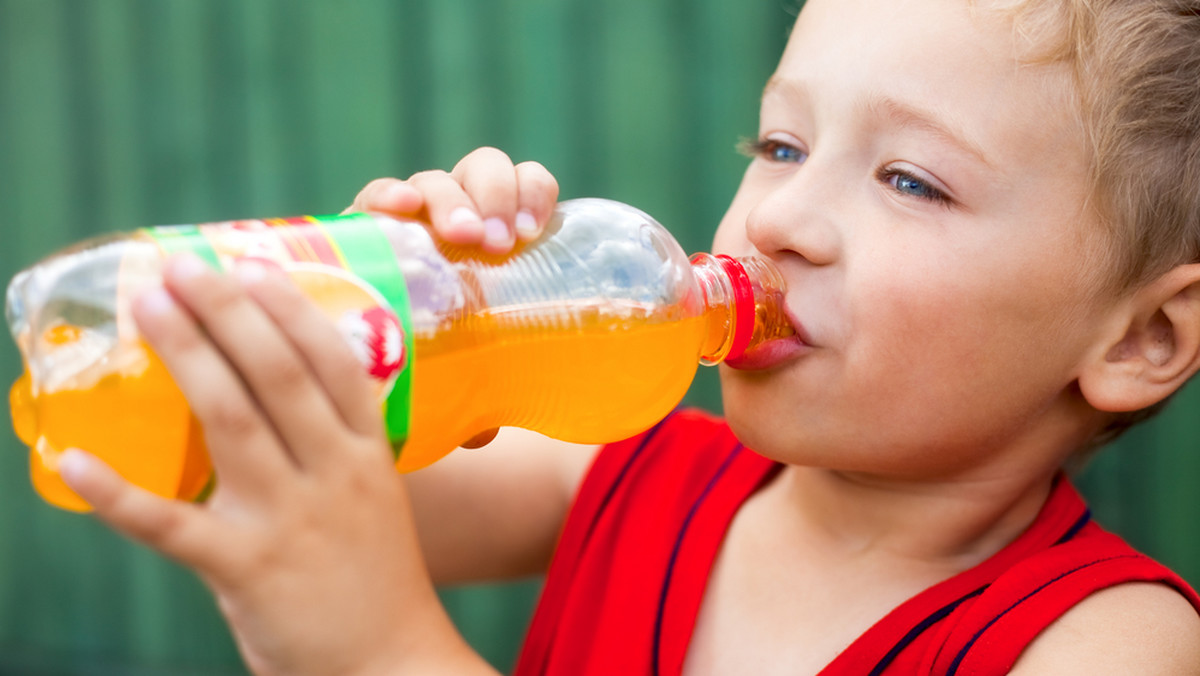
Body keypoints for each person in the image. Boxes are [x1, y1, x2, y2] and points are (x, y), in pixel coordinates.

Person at [52, 0, 1200, 673]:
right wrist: (403, 309)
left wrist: (383, 652)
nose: (782, 219)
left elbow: (356, 613)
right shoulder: (622, 468)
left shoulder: (1110, 642)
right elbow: (291, 499)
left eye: (909, 179)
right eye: (781, 149)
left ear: (1144, 335)